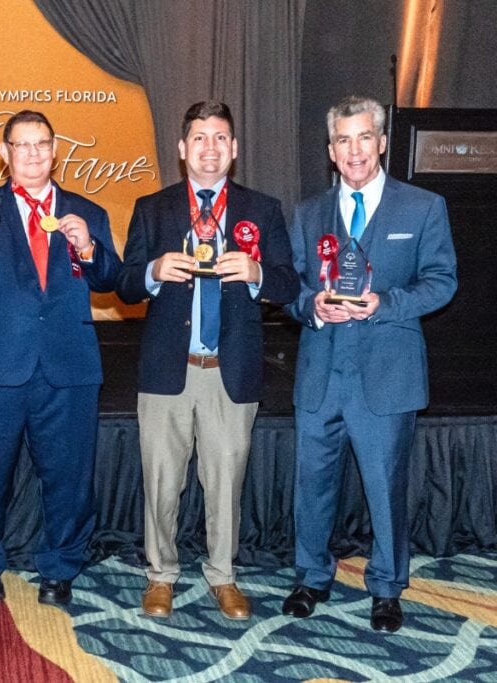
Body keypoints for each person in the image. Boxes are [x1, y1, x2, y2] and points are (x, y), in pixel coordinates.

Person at [117, 101, 298, 620]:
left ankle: (223, 575)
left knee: (226, 481)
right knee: (161, 482)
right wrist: (152, 270)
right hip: (166, 371)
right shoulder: (152, 208)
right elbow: (124, 284)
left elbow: (289, 285)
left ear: (234, 149)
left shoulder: (262, 210)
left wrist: (257, 270)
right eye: (199, 138)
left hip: (230, 371)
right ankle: (161, 576)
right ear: (182, 149)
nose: (210, 148)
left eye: (220, 138)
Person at [282, 96, 457, 632]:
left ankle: (386, 588)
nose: (354, 150)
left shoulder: (423, 207)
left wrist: (388, 303)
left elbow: (442, 281)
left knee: (385, 486)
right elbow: (289, 288)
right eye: (342, 140)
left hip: (386, 375)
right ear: (330, 151)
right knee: (312, 484)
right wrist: (310, 304)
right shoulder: (308, 213)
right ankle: (312, 578)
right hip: (320, 373)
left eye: (363, 138)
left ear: (382, 142)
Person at [0, 110, 121, 606]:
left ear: (55, 150)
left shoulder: (87, 211)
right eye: (22, 145)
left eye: (42, 143)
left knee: (68, 478)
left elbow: (114, 280)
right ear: (5, 154)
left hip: (67, 368)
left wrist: (88, 247)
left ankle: (60, 568)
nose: (34, 153)